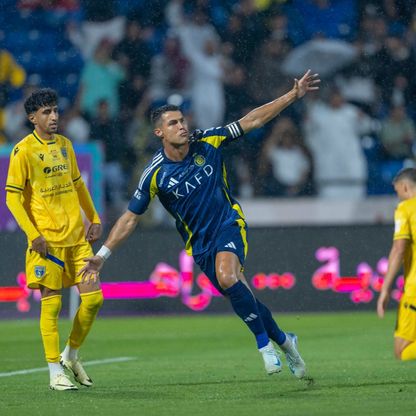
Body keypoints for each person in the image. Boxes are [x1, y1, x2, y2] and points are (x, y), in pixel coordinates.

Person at [80, 70, 320, 378]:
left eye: (182, 120)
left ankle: (265, 347)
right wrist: (102, 256)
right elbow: (129, 218)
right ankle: (286, 341)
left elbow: (253, 120)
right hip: (200, 244)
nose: (181, 126)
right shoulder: (155, 173)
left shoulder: (209, 140)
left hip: (228, 222)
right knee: (240, 292)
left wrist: (292, 95)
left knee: (228, 276)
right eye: (173, 123)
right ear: (159, 133)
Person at [5, 88, 104, 391]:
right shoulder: (23, 151)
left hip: (77, 238)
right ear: (32, 117)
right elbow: (12, 199)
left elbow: (78, 184)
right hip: (48, 243)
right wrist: (33, 235)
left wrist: (94, 217)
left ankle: (70, 355)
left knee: (93, 299)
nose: (53, 117)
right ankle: (54, 373)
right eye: (46, 112)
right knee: (51, 307)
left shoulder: (65, 145)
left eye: (55, 111)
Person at [377, 168, 416, 361]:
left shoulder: (405, 208)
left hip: (414, 288)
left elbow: (399, 249)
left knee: (402, 351)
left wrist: (385, 290)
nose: (398, 196)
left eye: (397, 191)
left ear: (405, 187)